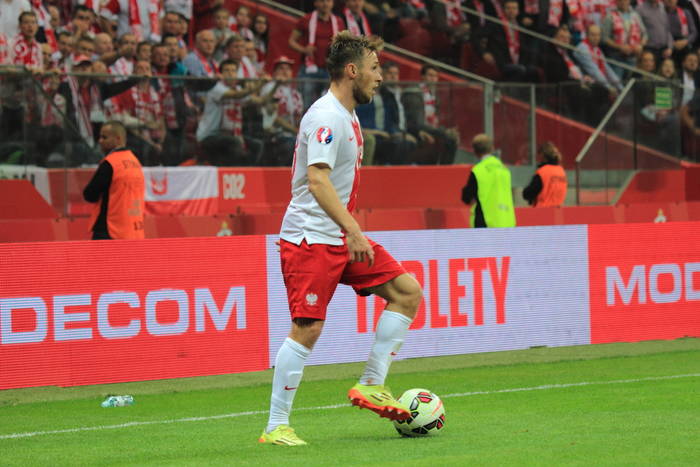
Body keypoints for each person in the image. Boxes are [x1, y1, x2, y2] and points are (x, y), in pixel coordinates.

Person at [259, 31, 422, 446]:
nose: (380, 77)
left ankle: (372, 383)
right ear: (352, 71)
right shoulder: (326, 117)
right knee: (307, 328)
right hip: (312, 238)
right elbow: (317, 180)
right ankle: (275, 426)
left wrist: (347, 231)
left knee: (407, 292)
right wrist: (353, 230)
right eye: (374, 68)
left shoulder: (347, 115)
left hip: (337, 235)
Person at [83, 120, 145, 240]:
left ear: (118, 139)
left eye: (104, 137)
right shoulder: (135, 162)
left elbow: (90, 195)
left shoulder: (111, 163)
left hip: (110, 229)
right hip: (133, 229)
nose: (100, 141)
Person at [289, 0, 345, 109]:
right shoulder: (306, 19)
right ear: (315, 3)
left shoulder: (338, 22)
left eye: (328, 1)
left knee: (330, 106)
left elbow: (344, 44)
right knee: (306, 106)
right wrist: (304, 50)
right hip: (309, 70)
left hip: (330, 70)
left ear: (332, 3)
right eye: (322, 1)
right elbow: (291, 41)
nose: (325, 4)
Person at [461, 133, 516, 228]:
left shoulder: (478, 171)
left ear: (475, 151)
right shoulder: (504, 169)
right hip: (506, 222)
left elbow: (467, 197)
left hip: (485, 222)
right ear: (492, 148)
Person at [522, 141, 568, 207]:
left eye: (538, 154)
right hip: (557, 210)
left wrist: (525, 192)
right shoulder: (561, 171)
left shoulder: (543, 172)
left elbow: (529, 193)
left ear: (542, 155)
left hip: (543, 210)